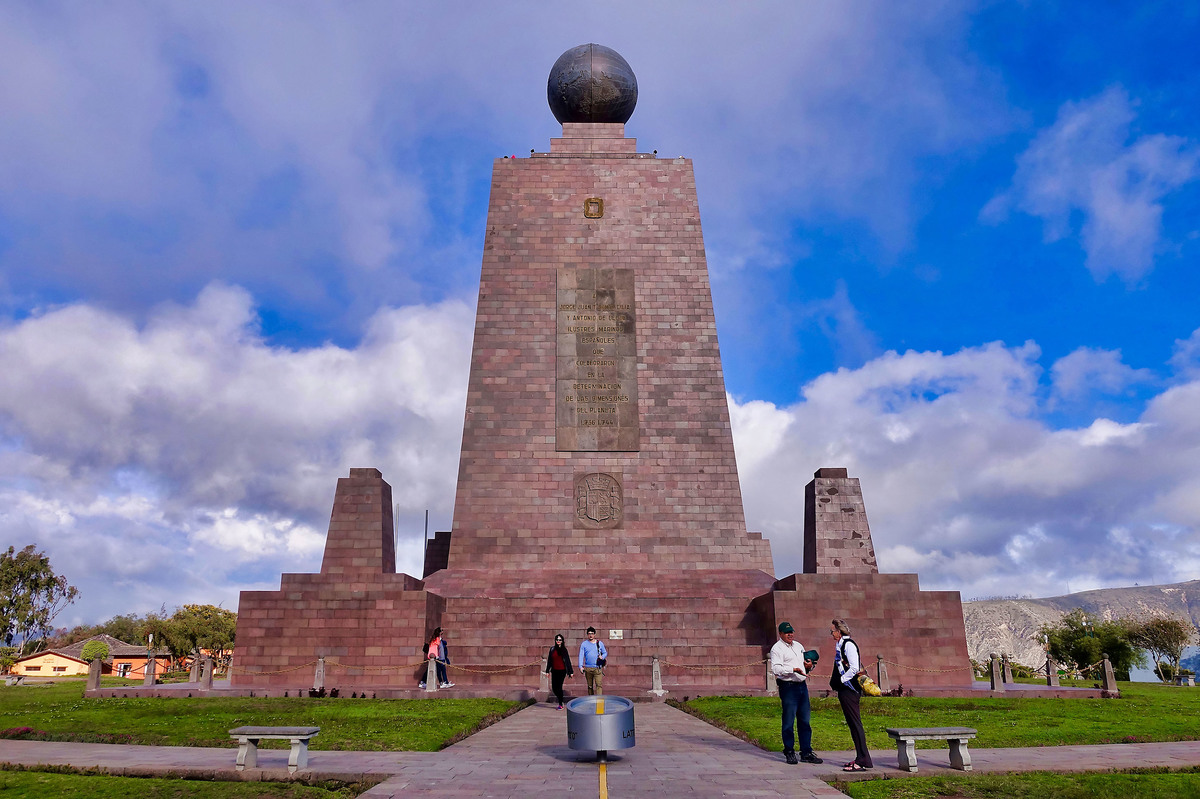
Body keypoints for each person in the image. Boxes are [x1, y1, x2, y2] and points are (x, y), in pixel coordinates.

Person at [769, 621, 823, 765]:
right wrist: (792, 669)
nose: (790, 635)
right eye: (787, 633)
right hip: (788, 687)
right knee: (788, 720)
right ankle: (789, 751)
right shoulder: (777, 649)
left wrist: (808, 666)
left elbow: (805, 665)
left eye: (791, 632)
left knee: (805, 720)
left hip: (801, 686)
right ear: (780, 634)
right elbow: (776, 669)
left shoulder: (799, 646)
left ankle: (806, 752)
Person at [830, 618, 872, 772]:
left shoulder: (848, 645)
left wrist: (841, 680)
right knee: (853, 725)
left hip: (850, 690)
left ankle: (863, 760)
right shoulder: (841, 644)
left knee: (856, 724)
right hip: (844, 690)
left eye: (832, 631)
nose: (832, 634)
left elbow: (854, 668)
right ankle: (861, 757)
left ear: (839, 631)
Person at [544, 633, 575, 709]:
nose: (558, 641)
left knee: (559, 686)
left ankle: (560, 703)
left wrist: (571, 672)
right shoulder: (552, 649)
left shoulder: (564, 650)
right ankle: (560, 699)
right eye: (557, 640)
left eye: (560, 640)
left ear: (562, 641)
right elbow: (550, 661)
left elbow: (567, 661)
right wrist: (547, 671)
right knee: (554, 688)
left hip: (562, 671)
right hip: (554, 670)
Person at [578, 626, 607, 695]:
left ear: (594, 634)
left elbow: (605, 652)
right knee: (590, 686)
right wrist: (580, 666)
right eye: (589, 633)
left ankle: (599, 703)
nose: (590, 635)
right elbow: (581, 655)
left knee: (599, 685)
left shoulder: (599, 643)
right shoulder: (584, 644)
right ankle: (591, 701)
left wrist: (602, 657)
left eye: (592, 633)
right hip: (588, 668)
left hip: (597, 668)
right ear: (587, 634)